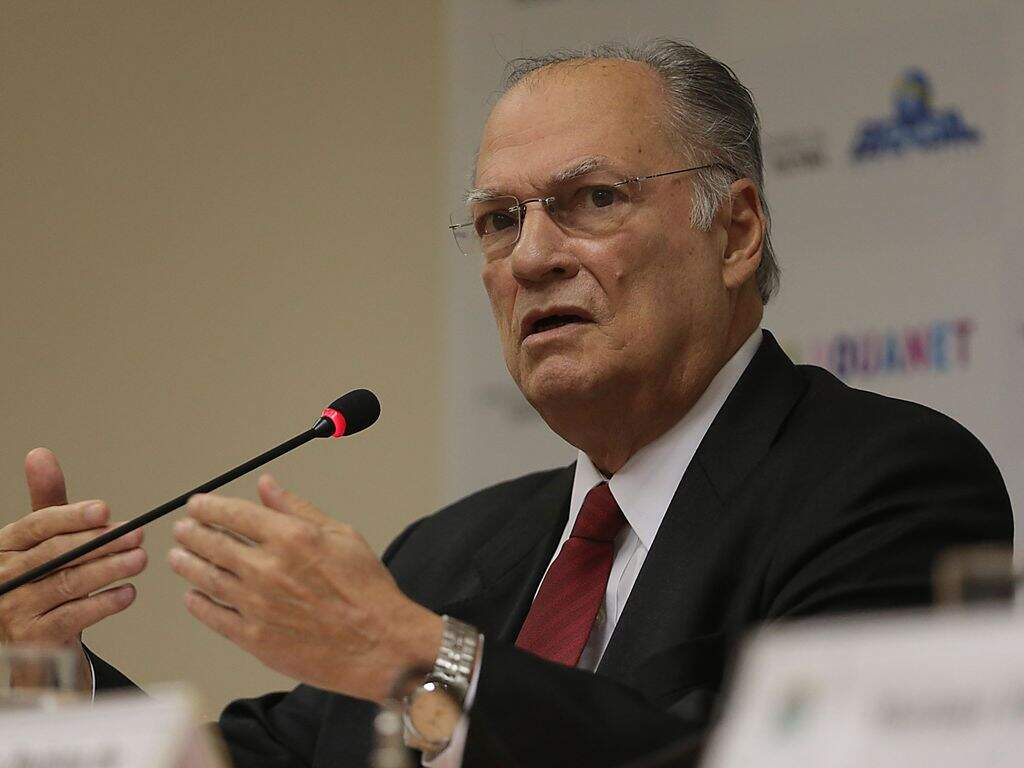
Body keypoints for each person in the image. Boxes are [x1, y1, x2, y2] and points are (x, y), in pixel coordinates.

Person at [0, 40, 1012, 768]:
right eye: (497, 220)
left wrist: (419, 658)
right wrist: (54, 675)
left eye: (593, 200)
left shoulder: (885, 484)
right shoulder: (447, 554)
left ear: (736, 231)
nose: (530, 258)